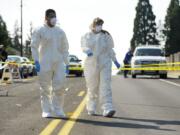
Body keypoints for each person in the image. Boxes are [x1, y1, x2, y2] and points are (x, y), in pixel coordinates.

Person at [31, 9, 69, 118]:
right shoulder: (40, 30)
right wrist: (36, 61)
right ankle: (46, 110)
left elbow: (65, 48)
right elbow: (34, 46)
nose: (54, 18)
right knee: (45, 87)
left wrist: (67, 63)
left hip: (59, 62)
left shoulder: (60, 32)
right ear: (46, 17)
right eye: (51, 16)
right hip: (44, 62)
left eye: (55, 16)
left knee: (60, 85)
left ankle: (58, 109)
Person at [81, 17, 120, 117]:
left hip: (105, 62)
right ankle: (91, 107)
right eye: (98, 24)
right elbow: (83, 46)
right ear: (93, 25)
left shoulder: (106, 35)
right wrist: (87, 51)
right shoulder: (87, 35)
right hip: (91, 63)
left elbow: (110, 49)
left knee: (105, 85)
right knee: (92, 87)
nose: (100, 26)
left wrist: (115, 60)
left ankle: (107, 108)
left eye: (101, 24)